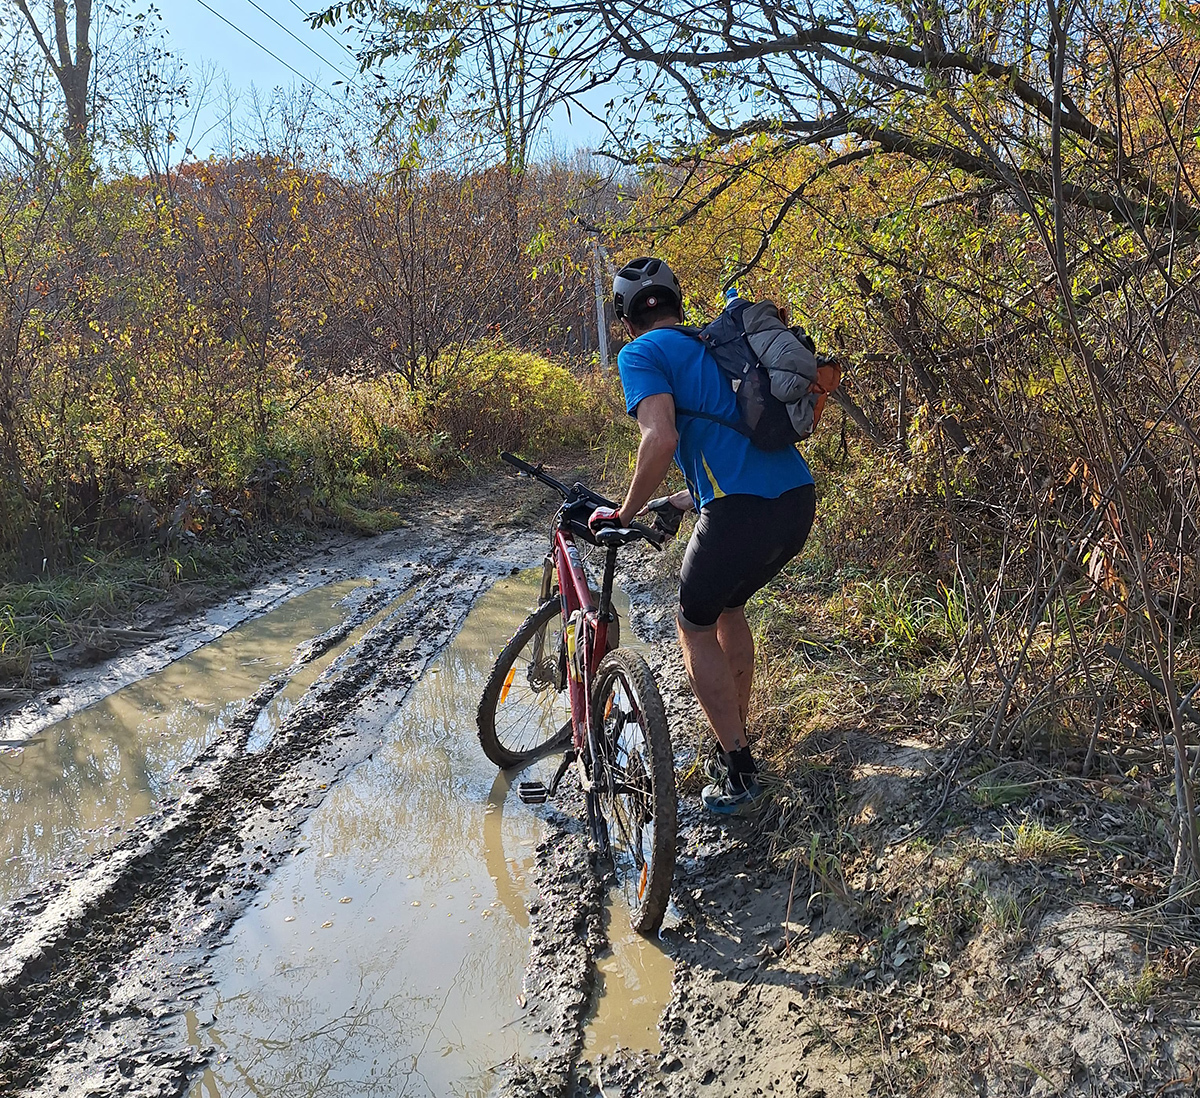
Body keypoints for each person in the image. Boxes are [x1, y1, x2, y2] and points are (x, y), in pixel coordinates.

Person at [588, 256, 816, 815]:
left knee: (693, 625)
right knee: (729, 608)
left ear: (624, 317)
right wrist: (677, 500)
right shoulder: (714, 344)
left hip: (740, 515)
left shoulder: (639, 352)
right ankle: (735, 737)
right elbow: (735, 450)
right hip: (796, 502)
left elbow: (660, 439)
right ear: (677, 300)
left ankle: (739, 772)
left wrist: (625, 511)